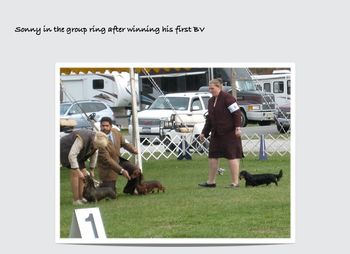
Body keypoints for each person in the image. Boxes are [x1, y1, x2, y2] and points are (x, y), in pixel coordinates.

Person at [198, 78, 243, 188]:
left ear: (219, 87)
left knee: (232, 156)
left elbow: (237, 113)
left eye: (212, 88)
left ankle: (235, 182)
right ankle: (211, 182)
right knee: (213, 156)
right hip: (216, 134)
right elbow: (209, 119)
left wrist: (237, 127)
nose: (210, 90)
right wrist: (204, 132)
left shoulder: (228, 98)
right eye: (209, 88)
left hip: (230, 133)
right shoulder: (211, 101)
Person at [60, 129, 108, 205]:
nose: (97, 148)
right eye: (98, 146)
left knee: (84, 174)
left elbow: (94, 155)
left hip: (78, 153)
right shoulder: (82, 139)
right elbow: (72, 156)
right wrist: (78, 171)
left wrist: (92, 169)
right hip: (65, 149)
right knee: (75, 173)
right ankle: (76, 200)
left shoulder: (97, 142)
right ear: (94, 142)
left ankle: (81, 197)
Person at [97, 117, 141, 195]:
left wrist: (132, 149)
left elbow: (124, 143)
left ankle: (129, 190)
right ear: (100, 126)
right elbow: (108, 160)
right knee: (111, 193)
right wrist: (122, 171)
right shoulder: (99, 138)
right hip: (107, 166)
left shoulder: (116, 133)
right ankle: (100, 186)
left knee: (136, 171)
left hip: (118, 160)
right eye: (102, 126)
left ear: (111, 126)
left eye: (107, 126)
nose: (104, 128)